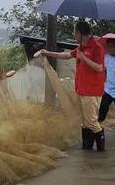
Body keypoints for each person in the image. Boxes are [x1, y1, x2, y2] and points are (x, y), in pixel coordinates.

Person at [38, 20, 106, 151]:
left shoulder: (97, 47)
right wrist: (48, 53)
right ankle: (87, 147)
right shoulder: (81, 47)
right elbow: (66, 55)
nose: (74, 35)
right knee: (84, 121)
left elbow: (99, 68)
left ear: (80, 33)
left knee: (92, 121)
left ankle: (101, 152)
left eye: (75, 32)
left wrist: (84, 58)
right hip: (80, 89)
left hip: (91, 90)